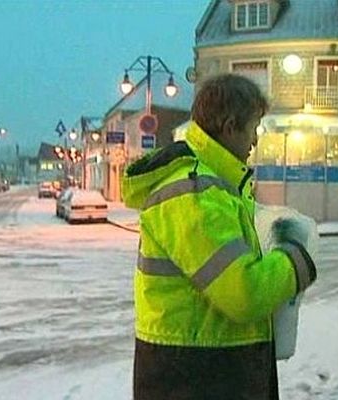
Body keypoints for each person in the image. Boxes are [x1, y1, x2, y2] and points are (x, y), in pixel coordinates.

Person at [121, 73, 318, 400]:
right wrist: (295, 258)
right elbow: (244, 295)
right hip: (198, 377)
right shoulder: (196, 193)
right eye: (253, 128)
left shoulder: (216, 186)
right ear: (229, 126)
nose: (255, 141)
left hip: (204, 370)